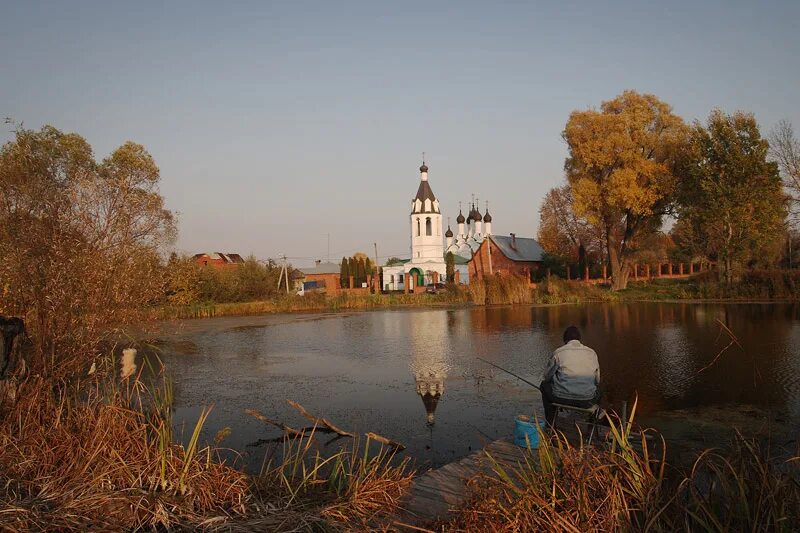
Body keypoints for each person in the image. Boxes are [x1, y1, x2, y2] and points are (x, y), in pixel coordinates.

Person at [540, 325, 600, 425]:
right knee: (599, 390)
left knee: (544, 385)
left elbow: (546, 377)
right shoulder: (592, 353)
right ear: (579, 339)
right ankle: (592, 424)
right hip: (587, 400)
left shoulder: (559, 352)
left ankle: (551, 423)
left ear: (565, 340)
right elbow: (597, 380)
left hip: (562, 399)